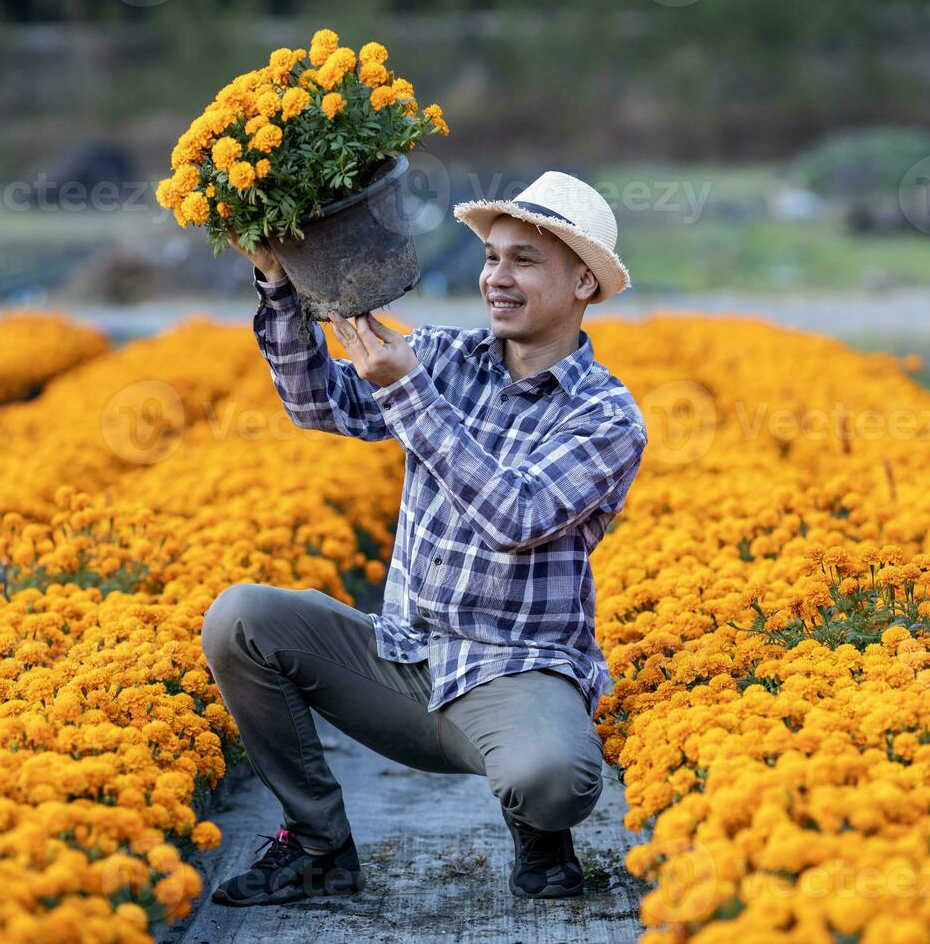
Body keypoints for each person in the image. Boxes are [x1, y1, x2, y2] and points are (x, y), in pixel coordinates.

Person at [201, 170, 648, 906]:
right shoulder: (447, 356)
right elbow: (318, 404)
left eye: (525, 261)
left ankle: (538, 832)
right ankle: (317, 846)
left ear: (583, 286)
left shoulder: (606, 417)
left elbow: (516, 516)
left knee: (553, 782)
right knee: (241, 618)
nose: (497, 279)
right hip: (401, 660)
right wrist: (280, 283)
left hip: (513, 672)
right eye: (492, 257)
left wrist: (410, 391)